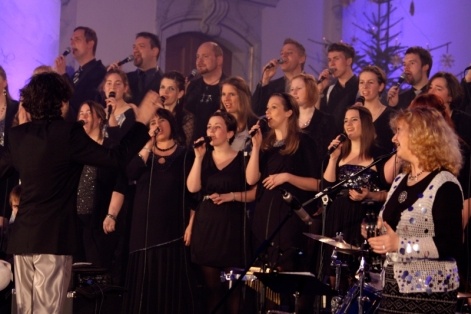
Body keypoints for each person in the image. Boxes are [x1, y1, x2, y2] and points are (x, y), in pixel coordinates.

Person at [0, 72, 158, 313]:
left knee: (24, 310)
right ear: (60, 101)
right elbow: (115, 159)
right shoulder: (68, 134)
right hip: (54, 238)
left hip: (22, 239)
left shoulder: (17, 135)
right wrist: (141, 123)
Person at [367, 106, 463, 314]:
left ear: (421, 135)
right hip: (394, 288)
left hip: (429, 293)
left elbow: (451, 243)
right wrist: (378, 232)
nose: (394, 138)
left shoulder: (445, 184)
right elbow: (391, 227)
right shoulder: (400, 180)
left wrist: (400, 244)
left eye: (399, 131)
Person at [246, 93, 320, 312]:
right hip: (264, 220)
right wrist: (256, 147)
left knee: (284, 281)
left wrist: (287, 177)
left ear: (289, 112)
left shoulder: (304, 142)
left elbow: (318, 183)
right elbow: (251, 179)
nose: (267, 112)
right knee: (263, 284)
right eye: (267, 108)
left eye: (274, 107)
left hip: (289, 222)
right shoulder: (266, 145)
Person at [124, 108, 196, 313]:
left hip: (172, 229)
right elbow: (130, 172)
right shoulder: (143, 152)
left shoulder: (185, 154)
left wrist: (191, 224)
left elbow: (194, 194)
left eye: (162, 120)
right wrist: (147, 145)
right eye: (153, 121)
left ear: (171, 124)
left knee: (170, 282)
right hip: (143, 228)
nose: (157, 125)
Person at [187, 111, 256, 314]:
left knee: (232, 288)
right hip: (207, 225)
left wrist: (231, 196)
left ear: (230, 133)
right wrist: (198, 159)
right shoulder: (203, 157)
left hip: (232, 226)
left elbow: (253, 191)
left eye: (217, 127)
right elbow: (192, 188)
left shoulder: (243, 158)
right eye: (209, 126)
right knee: (211, 289)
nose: (211, 131)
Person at [321, 105, 388, 283]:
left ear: (365, 124)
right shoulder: (340, 154)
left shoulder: (378, 155)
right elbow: (326, 187)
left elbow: (391, 192)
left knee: (357, 276)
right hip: (338, 218)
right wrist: (333, 158)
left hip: (363, 220)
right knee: (335, 274)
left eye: (354, 120)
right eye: (345, 121)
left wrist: (370, 195)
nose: (348, 124)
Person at [75, 101, 126, 280]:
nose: (83, 117)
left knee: (98, 270)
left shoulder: (109, 148)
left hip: (99, 219)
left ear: (99, 119)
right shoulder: (75, 148)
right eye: (81, 113)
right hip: (76, 221)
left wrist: (111, 215)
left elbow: (120, 183)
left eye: (88, 113)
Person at [54, 26, 107, 121]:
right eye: (71, 40)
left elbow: (82, 99)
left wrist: (63, 75)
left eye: (77, 39)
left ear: (90, 44)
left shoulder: (99, 71)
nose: (72, 43)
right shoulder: (75, 74)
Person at [252, 38, 307, 116]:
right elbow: (255, 112)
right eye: (282, 53)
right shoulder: (272, 87)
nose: (283, 56)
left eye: (289, 53)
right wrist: (265, 79)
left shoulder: (313, 85)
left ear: (302, 59)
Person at [185, 41, 227, 142]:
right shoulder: (192, 86)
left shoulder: (229, 87)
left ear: (219, 59)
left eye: (205, 56)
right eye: (197, 57)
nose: (199, 62)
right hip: (193, 149)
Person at [289, 73, 335, 159]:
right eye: (292, 89)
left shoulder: (326, 120)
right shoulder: (287, 120)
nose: (294, 92)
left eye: (298, 88)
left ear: (310, 90)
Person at [110, 32, 163, 106]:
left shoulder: (164, 81)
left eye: (141, 46)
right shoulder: (126, 79)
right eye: (134, 47)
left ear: (154, 51)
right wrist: (114, 76)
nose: (135, 51)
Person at [318, 42, 359, 134]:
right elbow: (319, 118)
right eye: (329, 60)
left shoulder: (360, 87)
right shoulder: (329, 90)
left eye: (336, 59)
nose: (332, 64)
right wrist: (320, 89)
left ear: (348, 61)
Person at [359, 65, 395, 153]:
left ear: (381, 86)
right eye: (361, 82)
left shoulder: (391, 116)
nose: (365, 86)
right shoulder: (353, 113)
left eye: (370, 82)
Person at [220, 76, 258, 151]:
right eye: (224, 94)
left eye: (231, 94)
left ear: (242, 97)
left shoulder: (255, 124)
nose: (226, 99)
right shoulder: (219, 122)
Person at [159, 71, 194, 146]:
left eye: (171, 89)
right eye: (162, 87)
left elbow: (182, 147)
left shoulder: (186, 117)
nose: (165, 92)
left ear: (180, 94)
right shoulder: (154, 114)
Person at [102, 69, 136, 140]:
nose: (112, 87)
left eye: (117, 84)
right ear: (104, 88)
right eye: (109, 83)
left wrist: (111, 115)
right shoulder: (100, 112)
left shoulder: (131, 113)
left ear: (125, 88)